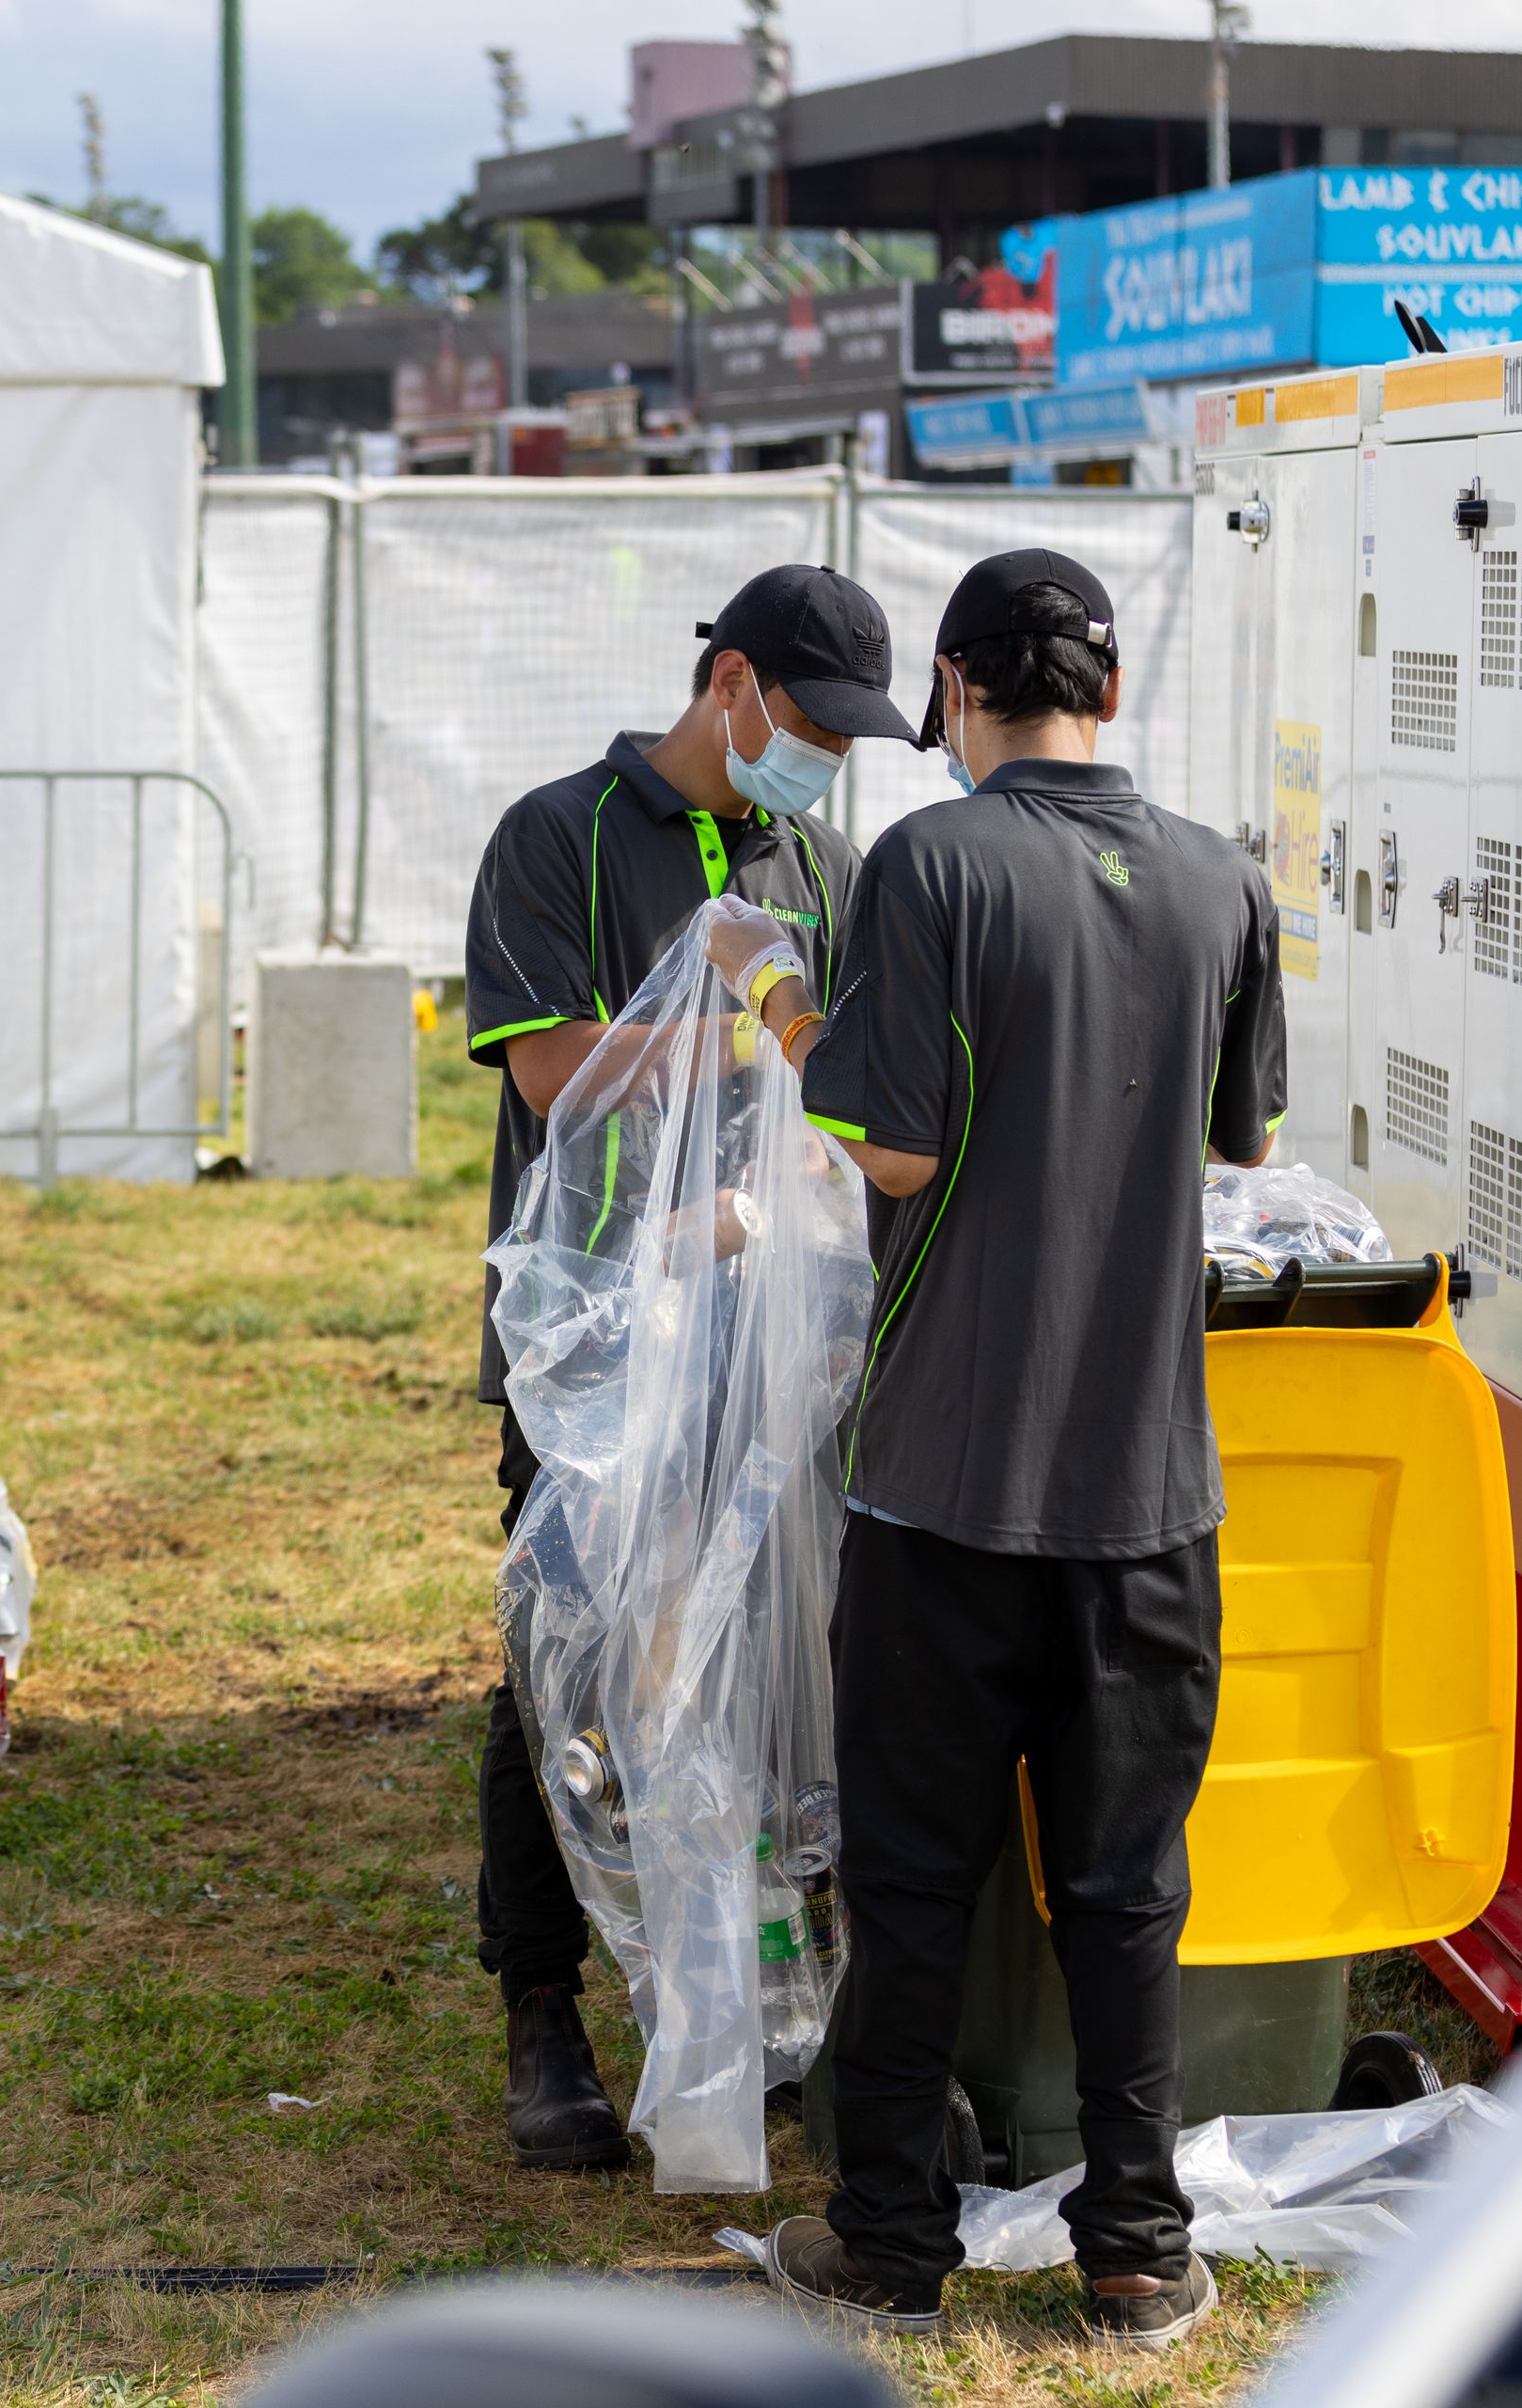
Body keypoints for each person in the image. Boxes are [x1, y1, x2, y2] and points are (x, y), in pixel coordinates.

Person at [706, 549, 1284, 2350]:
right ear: (1108, 693)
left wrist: (773, 992)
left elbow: (886, 1147)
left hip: (944, 1477)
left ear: (954, 687)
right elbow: (1242, 1141)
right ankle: (1134, 2249)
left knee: (914, 1873)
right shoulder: (1220, 876)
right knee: (1124, 1891)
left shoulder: (929, 863)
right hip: (1144, 1492)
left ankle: (888, 2244)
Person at [462, 563, 909, 2168]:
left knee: (775, 1659)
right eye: (807, 723)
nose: (823, 760)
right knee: (574, 1660)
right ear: (729, 683)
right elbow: (552, 1070)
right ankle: (543, 2010)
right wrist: (715, 1001)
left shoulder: (828, 860)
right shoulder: (556, 838)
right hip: (605, 1332)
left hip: (780, 1336)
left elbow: (858, 1074)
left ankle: (747, 1999)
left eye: (849, 741)